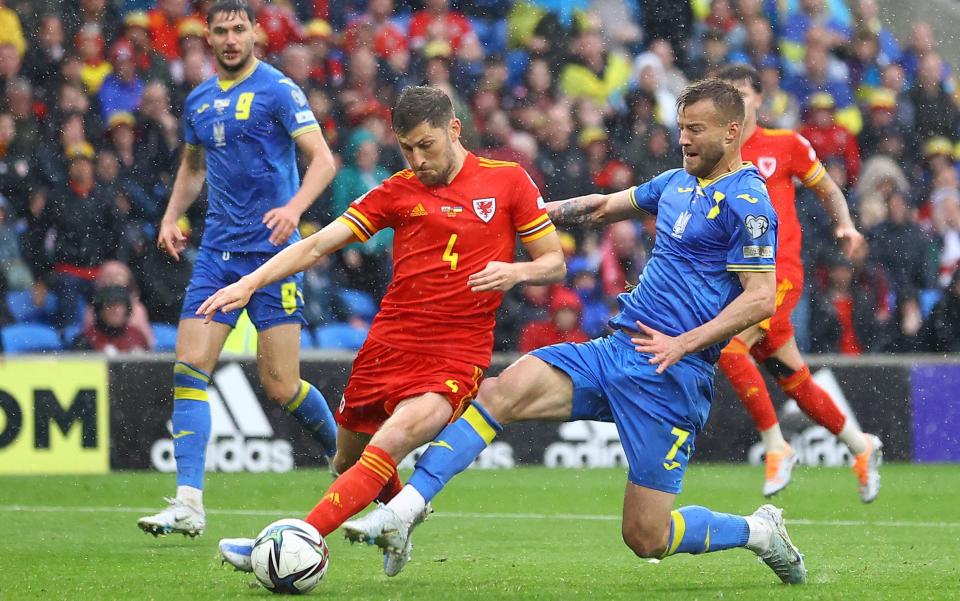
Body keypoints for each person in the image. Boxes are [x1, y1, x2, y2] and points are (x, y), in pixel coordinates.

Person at [345, 79, 807, 585]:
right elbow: (603, 206)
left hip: (672, 375)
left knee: (645, 538)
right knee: (504, 390)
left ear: (732, 131)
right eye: (681, 128)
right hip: (617, 349)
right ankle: (404, 510)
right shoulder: (675, 183)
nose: (684, 139)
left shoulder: (749, 201)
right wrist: (525, 213)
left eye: (696, 130)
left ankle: (758, 532)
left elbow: (760, 297)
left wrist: (684, 342)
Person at [205, 85, 565, 574]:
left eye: (426, 145)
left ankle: (291, 542)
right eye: (407, 148)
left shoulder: (509, 182)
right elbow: (316, 246)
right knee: (347, 462)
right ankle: (400, 519)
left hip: (456, 353)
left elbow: (554, 262)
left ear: (453, 130)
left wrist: (515, 272)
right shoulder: (397, 191)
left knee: (388, 443)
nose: (417, 159)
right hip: (389, 345)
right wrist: (249, 283)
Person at [136, 0, 339, 538]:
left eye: (238, 29)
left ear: (255, 33)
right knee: (189, 368)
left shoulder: (278, 90)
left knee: (282, 387)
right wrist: (172, 215)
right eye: (220, 31)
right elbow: (194, 164)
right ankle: (188, 503)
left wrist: (294, 209)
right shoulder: (199, 101)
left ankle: (352, 462)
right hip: (218, 256)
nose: (229, 39)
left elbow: (323, 161)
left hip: (275, 256)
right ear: (207, 36)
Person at [715, 64, 882, 501]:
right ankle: (861, 447)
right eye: (726, 95)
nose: (735, 101)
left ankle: (776, 446)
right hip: (737, 279)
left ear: (757, 99)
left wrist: (845, 225)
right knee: (796, 381)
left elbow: (827, 188)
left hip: (779, 275)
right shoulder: (715, 156)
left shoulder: (784, 144)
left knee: (729, 347)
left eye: (741, 93)